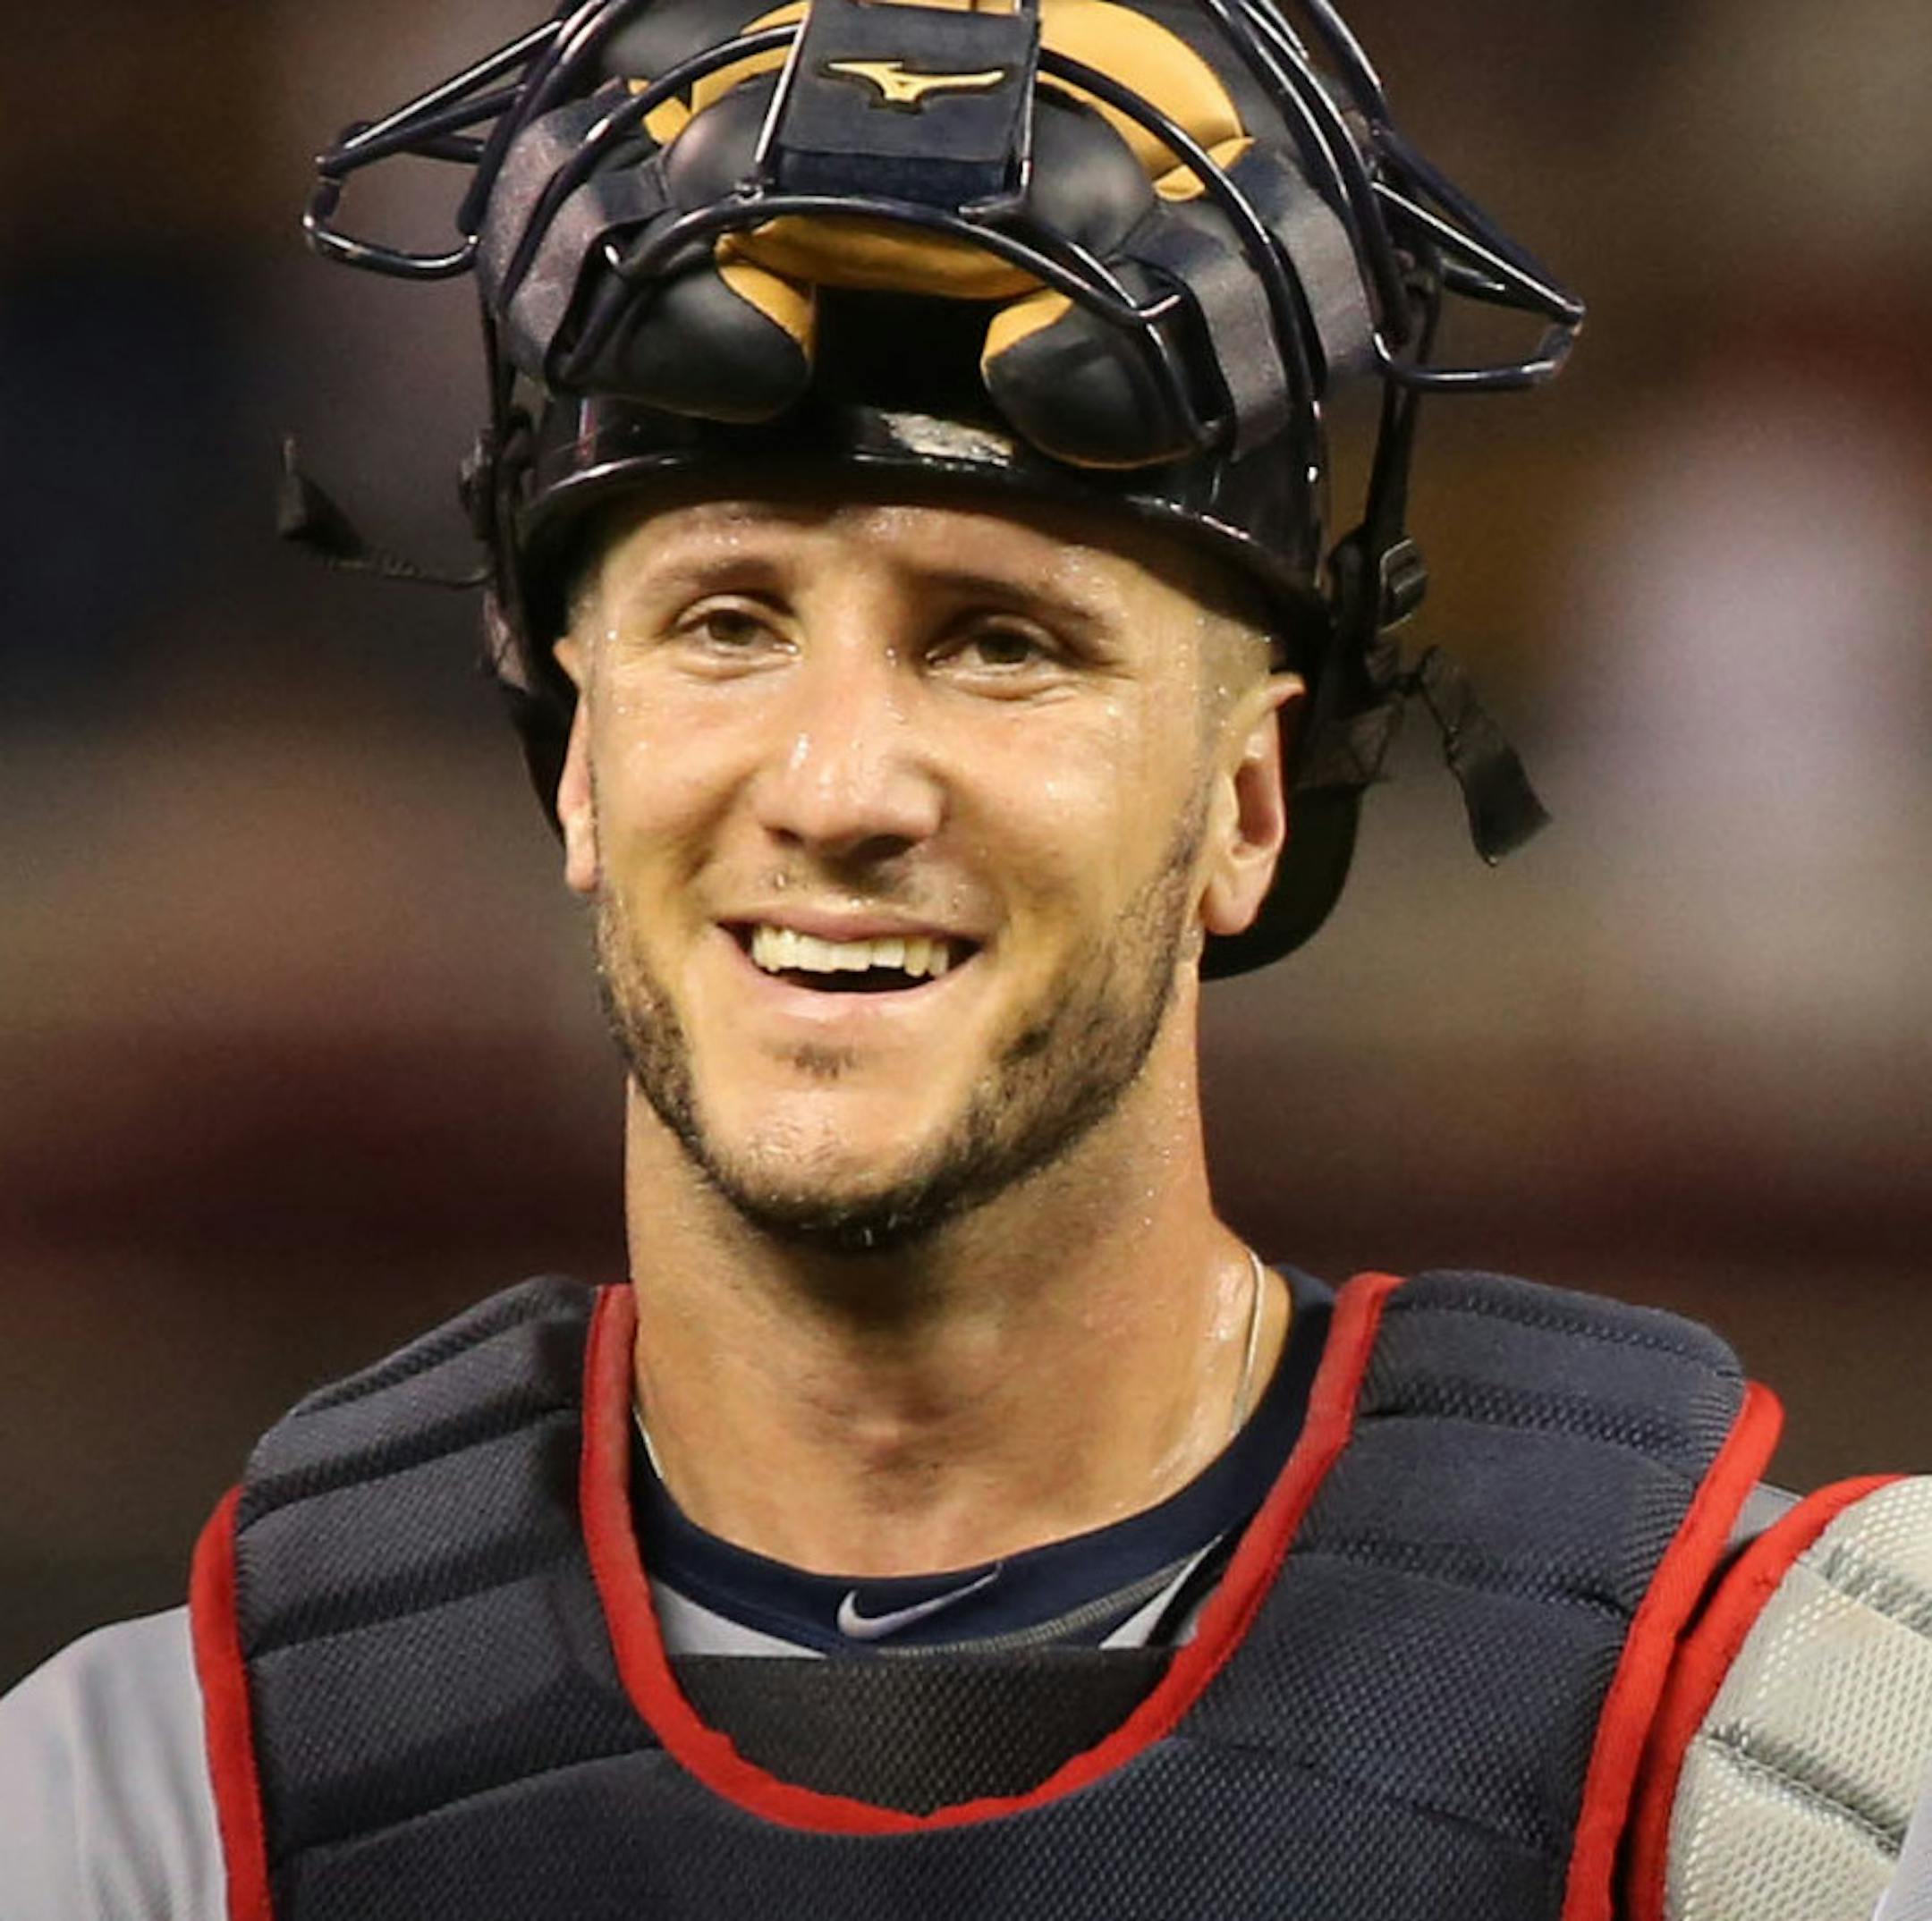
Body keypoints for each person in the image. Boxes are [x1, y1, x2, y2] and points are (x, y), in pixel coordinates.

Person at [4, 0, 1931, 1915]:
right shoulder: (157, 1803)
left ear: (1248, 803)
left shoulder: (1796, 1759)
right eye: (729, 620)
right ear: (583, 760)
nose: (839, 784)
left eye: (1002, 641)